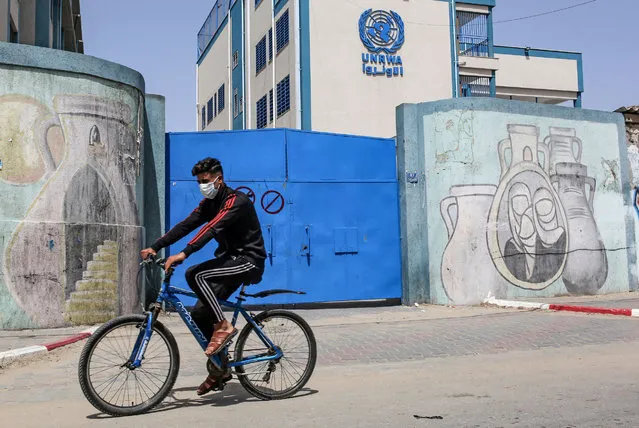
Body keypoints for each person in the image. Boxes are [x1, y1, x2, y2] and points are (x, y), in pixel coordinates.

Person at [140, 157, 266, 395]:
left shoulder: (236, 201)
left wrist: (184, 253)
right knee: (198, 312)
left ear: (219, 179)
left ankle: (223, 326)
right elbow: (186, 225)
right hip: (230, 260)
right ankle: (221, 368)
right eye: (198, 182)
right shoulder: (210, 203)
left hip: (249, 261)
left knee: (196, 273)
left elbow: (212, 228)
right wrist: (156, 246)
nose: (202, 185)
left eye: (205, 181)